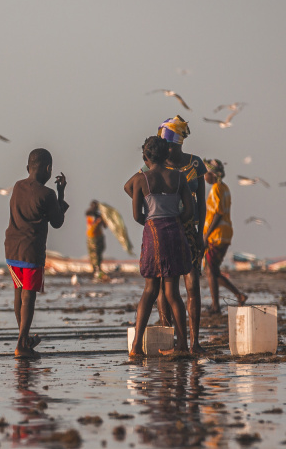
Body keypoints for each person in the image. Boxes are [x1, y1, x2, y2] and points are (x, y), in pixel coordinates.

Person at [125, 116, 206, 353]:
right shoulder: (163, 172)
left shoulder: (194, 165)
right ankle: (174, 338)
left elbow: (201, 203)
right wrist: (165, 213)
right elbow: (132, 187)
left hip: (180, 229)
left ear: (176, 144)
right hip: (176, 227)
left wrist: (149, 215)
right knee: (167, 289)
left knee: (189, 286)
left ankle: (193, 342)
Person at [3, 148, 68, 359]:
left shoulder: (18, 186)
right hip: (31, 252)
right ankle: (22, 344)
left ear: (27, 168)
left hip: (12, 249)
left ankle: (25, 338)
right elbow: (57, 222)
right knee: (28, 297)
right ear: (49, 170)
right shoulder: (47, 194)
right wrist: (61, 193)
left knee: (18, 294)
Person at [202, 158, 247, 313]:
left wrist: (206, 235)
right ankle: (235, 296)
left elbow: (218, 213)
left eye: (205, 173)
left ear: (212, 175)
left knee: (210, 270)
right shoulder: (225, 188)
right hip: (224, 234)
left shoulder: (216, 189)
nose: (204, 176)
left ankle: (218, 304)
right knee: (212, 270)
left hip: (217, 235)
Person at [86, 200, 107, 280]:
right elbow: (92, 227)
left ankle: (97, 269)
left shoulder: (98, 216)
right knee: (93, 255)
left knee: (98, 254)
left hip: (97, 237)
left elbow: (105, 226)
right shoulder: (90, 214)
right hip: (92, 236)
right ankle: (95, 270)